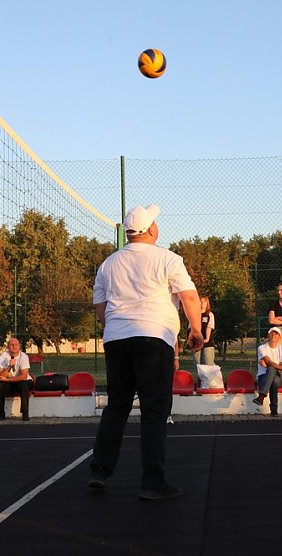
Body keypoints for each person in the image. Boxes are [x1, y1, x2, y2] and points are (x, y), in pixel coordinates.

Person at [90, 204, 203, 501]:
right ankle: (153, 482)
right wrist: (195, 329)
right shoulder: (168, 259)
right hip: (154, 338)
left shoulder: (108, 264)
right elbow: (190, 297)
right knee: (154, 410)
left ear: (129, 233)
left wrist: (116, 325)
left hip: (116, 339)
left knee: (117, 405)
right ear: (152, 229)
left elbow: (100, 308)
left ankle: (99, 471)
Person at [252, 327, 282, 416]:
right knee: (274, 378)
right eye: (272, 333)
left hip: (280, 375)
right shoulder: (262, 348)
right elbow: (269, 361)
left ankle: (261, 396)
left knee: (271, 369)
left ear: (279, 337)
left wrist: (267, 366)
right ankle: (274, 409)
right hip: (263, 377)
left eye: (276, 333)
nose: (274, 335)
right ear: (268, 335)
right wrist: (281, 368)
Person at [0, 337, 32, 421]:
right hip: (8, 382)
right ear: (8, 347)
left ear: (19, 346)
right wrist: (9, 366)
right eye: (11, 344)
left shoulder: (24, 356)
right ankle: (1, 413)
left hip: (21, 381)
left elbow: (23, 376)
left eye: (16, 344)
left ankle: (25, 413)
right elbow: (0, 375)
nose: (14, 346)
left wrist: (6, 380)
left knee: (24, 385)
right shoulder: (3, 356)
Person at [192, 296, 216, 366]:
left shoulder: (210, 315)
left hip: (207, 344)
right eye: (201, 301)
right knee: (198, 365)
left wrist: (206, 339)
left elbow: (209, 327)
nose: (202, 303)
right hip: (197, 343)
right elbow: (191, 328)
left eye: (204, 302)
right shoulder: (194, 314)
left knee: (208, 365)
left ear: (207, 303)